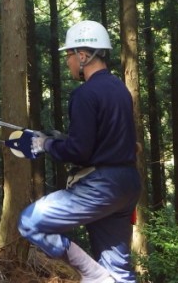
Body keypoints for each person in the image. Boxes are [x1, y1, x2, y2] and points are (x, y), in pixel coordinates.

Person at [17, 20, 140, 283]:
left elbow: (80, 151)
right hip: (127, 185)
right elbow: (111, 139)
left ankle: (92, 274)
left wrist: (46, 144)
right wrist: (61, 138)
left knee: (29, 222)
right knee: (119, 272)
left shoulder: (85, 94)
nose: (68, 62)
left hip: (100, 187)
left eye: (69, 55)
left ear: (83, 56)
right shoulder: (120, 89)